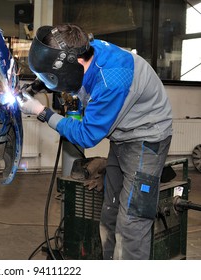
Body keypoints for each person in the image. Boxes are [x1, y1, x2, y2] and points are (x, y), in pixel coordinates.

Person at [17, 24, 173, 260]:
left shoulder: (111, 81)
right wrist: (36, 84)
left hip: (147, 140)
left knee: (132, 223)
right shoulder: (86, 50)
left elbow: (87, 136)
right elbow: (67, 80)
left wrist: (43, 112)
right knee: (110, 213)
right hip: (121, 137)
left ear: (74, 64)